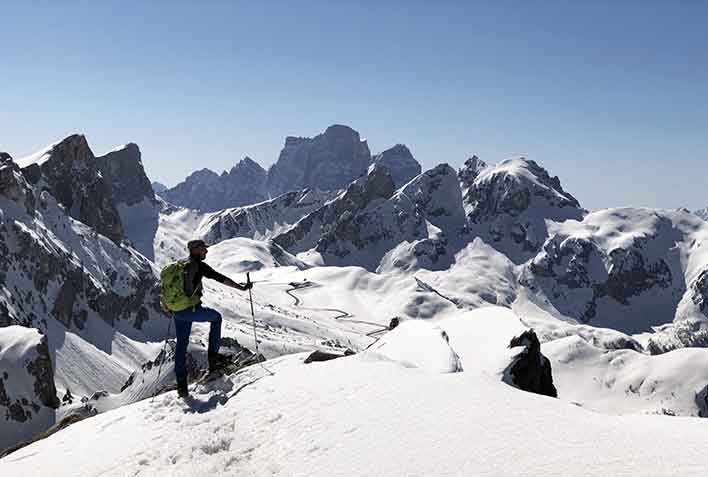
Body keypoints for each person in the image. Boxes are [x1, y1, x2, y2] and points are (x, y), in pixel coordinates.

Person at [172, 239, 252, 398]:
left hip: (177, 311)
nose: (206, 252)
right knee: (216, 318)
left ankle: (182, 386)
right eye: (203, 249)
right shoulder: (198, 265)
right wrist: (242, 288)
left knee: (181, 346)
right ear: (195, 250)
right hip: (191, 309)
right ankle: (213, 360)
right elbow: (219, 277)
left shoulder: (179, 265)